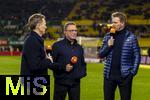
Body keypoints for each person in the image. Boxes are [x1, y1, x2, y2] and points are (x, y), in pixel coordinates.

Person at [99, 12, 141, 100]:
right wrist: (108, 46)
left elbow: (137, 55)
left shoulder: (131, 37)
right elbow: (101, 54)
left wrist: (132, 73)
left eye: (115, 22)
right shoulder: (108, 36)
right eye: (112, 22)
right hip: (109, 76)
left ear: (122, 23)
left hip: (125, 76)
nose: (112, 25)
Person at [51, 21, 87, 100]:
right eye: (71, 30)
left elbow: (83, 63)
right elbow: (51, 64)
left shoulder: (79, 47)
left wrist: (82, 74)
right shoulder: (57, 46)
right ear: (65, 32)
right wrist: (64, 67)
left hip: (75, 84)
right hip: (61, 83)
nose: (74, 32)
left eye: (75, 30)